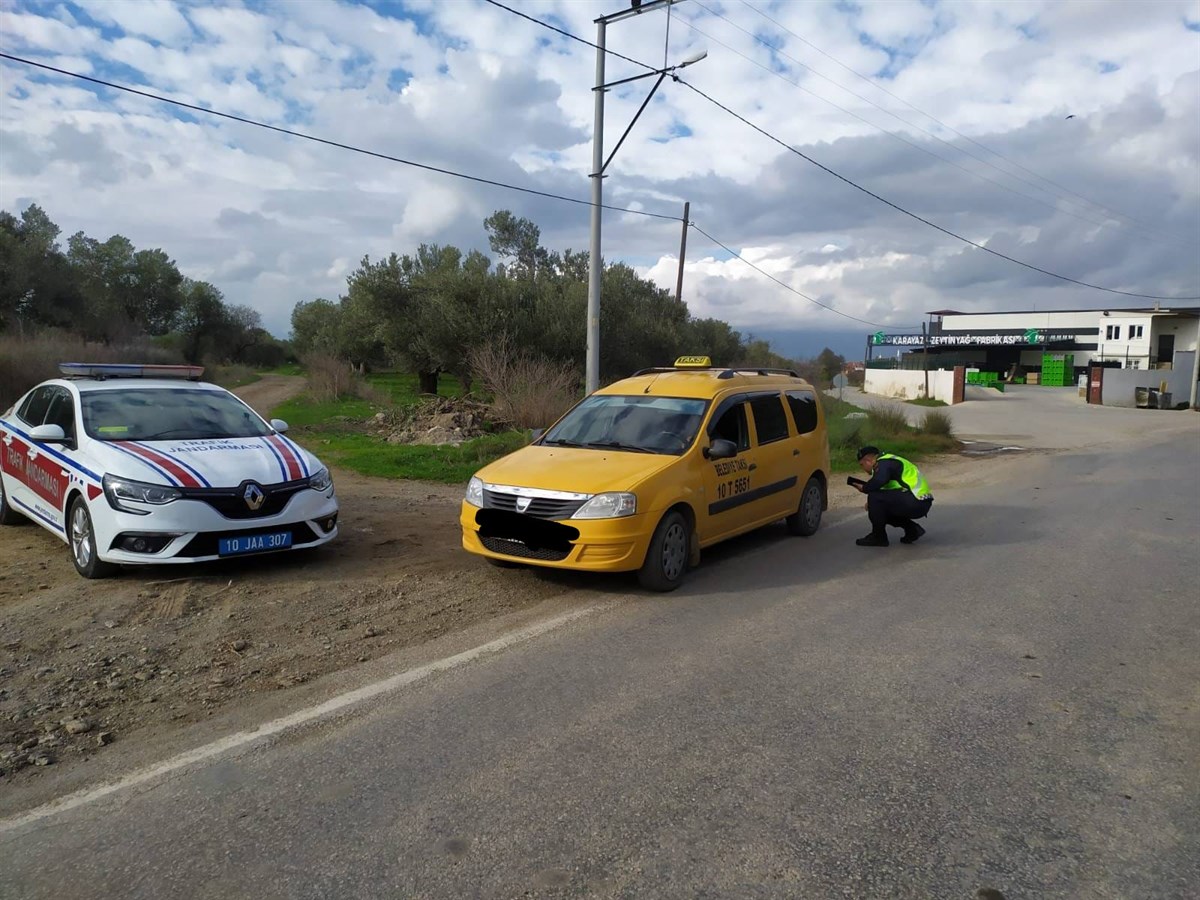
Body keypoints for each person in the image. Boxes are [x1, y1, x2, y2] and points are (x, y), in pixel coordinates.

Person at [851, 445, 933, 547]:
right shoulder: (889, 462)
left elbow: (879, 481)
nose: (863, 468)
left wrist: (864, 488)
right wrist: (873, 505)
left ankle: (878, 537)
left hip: (916, 499)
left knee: (874, 496)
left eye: (862, 465)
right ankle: (912, 530)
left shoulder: (884, 462)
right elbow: (887, 490)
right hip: (921, 502)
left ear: (868, 460)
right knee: (878, 507)